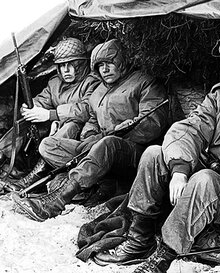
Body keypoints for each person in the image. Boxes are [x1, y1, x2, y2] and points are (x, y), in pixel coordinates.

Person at [94, 41, 220, 273]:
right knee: (154, 154)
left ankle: (163, 257)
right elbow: (190, 129)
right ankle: (140, 239)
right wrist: (180, 170)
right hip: (214, 181)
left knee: (205, 179)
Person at [13, 39, 169, 222]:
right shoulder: (100, 90)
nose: (105, 69)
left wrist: (106, 135)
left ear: (122, 61)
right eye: (100, 65)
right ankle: (93, 182)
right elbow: (92, 118)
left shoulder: (144, 82)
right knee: (49, 145)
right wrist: (89, 137)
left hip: (135, 154)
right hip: (100, 149)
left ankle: (54, 203)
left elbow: (151, 125)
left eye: (110, 62)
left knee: (107, 144)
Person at [0, 37, 100, 183]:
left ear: (81, 64)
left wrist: (51, 115)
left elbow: (87, 110)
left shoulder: (92, 82)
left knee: (70, 126)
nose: (66, 70)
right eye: (62, 66)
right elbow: (43, 99)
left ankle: (34, 177)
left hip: (77, 134)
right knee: (24, 122)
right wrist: (31, 108)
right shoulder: (55, 82)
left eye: (71, 64)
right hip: (54, 126)